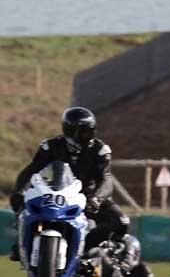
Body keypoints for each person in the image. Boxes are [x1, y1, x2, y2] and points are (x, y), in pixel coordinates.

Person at [9, 106, 130, 261]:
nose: (88, 136)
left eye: (90, 131)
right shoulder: (50, 146)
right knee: (23, 206)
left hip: (89, 198)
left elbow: (106, 180)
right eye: (84, 131)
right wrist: (19, 191)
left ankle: (87, 246)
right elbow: (31, 171)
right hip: (58, 195)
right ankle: (22, 245)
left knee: (121, 221)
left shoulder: (100, 150)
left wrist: (97, 198)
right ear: (70, 131)